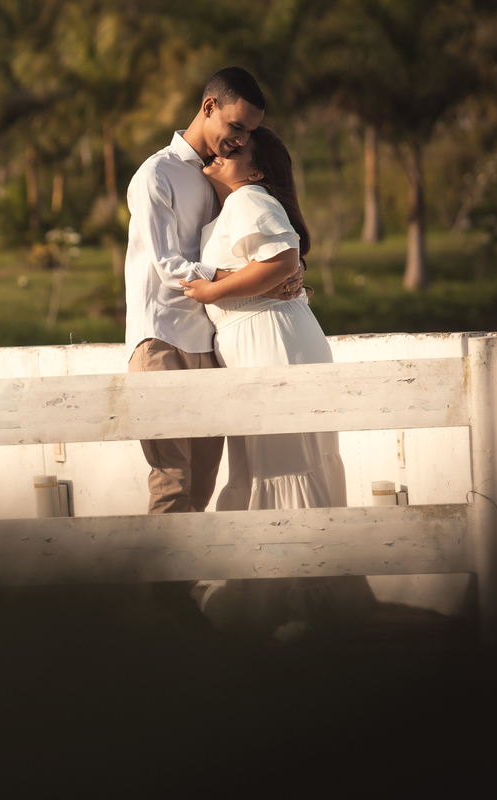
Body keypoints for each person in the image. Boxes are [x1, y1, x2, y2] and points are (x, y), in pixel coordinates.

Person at [180, 126, 377, 639]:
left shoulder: (249, 198)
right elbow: (279, 264)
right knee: (266, 461)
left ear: (258, 169)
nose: (225, 151)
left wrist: (211, 290)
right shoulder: (235, 206)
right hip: (263, 340)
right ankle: (275, 602)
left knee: (284, 460)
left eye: (237, 149)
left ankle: (307, 606)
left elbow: (284, 261)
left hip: (273, 342)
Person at [124, 66, 302, 521]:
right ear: (209, 107)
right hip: (161, 340)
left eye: (250, 132)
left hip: (212, 344)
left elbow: (251, 246)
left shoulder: (222, 175)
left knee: (202, 486)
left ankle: (186, 592)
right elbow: (169, 266)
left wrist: (281, 280)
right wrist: (247, 275)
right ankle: (161, 593)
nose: (242, 140)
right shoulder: (156, 175)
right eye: (236, 127)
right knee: (172, 482)